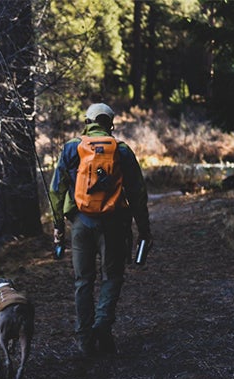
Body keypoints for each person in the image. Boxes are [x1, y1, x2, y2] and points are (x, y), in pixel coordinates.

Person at [49, 102, 152, 357]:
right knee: (112, 277)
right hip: (114, 224)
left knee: (83, 281)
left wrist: (58, 226)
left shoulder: (72, 148)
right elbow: (137, 193)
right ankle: (102, 325)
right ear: (110, 123)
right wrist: (143, 229)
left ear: (87, 122)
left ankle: (85, 340)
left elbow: (55, 190)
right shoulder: (123, 151)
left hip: (81, 223)